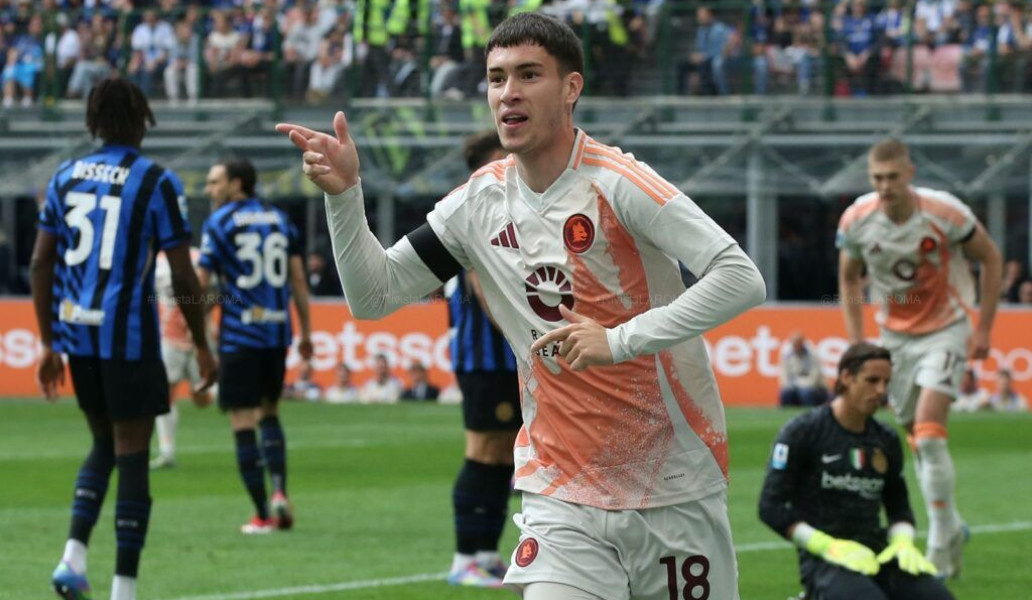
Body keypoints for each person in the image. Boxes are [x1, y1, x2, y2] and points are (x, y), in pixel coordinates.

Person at [277, 12, 766, 599]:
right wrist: (344, 197)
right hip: (560, 490)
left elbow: (740, 277)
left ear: (570, 87)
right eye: (496, 78)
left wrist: (619, 340)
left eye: (529, 75)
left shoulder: (618, 182)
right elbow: (373, 295)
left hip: (673, 484)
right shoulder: (477, 202)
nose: (508, 92)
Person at [31, 77, 217, 600]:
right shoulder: (156, 181)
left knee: (102, 443)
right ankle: (124, 589)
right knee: (132, 450)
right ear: (141, 119)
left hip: (78, 335)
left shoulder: (65, 176)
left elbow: (41, 261)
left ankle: (72, 557)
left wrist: (48, 342)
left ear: (93, 121)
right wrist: (202, 344)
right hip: (128, 339)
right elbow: (183, 275)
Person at [837, 138, 1003, 577]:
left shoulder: (945, 213)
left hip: (946, 329)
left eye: (892, 177)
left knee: (929, 434)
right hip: (893, 339)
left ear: (909, 173)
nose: (885, 186)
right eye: (877, 178)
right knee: (915, 437)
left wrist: (985, 327)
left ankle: (940, 545)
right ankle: (954, 525)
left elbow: (990, 258)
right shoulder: (857, 219)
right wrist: (857, 344)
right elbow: (849, 277)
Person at [759, 342, 955, 600]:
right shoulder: (803, 431)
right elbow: (770, 507)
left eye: (886, 382)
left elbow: (899, 509)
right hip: (826, 561)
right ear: (846, 377)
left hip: (877, 553)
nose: (881, 391)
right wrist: (826, 545)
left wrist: (902, 543)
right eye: (872, 381)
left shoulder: (885, 439)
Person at [198, 157, 313, 534]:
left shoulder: (219, 222)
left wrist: (199, 328)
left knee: (242, 422)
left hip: (240, 336)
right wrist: (307, 333)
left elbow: (201, 283)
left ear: (236, 184)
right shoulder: (280, 219)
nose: (209, 189)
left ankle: (262, 513)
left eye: (215, 182)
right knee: (270, 413)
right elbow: (298, 281)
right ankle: (280, 491)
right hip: (276, 334)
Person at [444, 129, 523, 588]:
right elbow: (482, 286)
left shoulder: (502, 205)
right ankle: (464, 560)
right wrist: (525, 335)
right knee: (482, 451)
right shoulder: (477, 206)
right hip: (484, 357)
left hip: (503, 358)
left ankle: (487, 555)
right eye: (503, 156)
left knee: (503, 455)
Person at [150, 247, 215, 470]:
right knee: (165, 393)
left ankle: (220, 391)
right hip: (169, 338)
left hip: (198, 338)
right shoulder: (157, 260)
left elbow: (214, 292)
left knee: (201, 398)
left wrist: (203, 315)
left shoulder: (198, 257)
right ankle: (167, 450)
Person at [779, 331, 828, 407]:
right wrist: (788, 385)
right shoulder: (787, 355)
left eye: (798, 342)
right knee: (786, 393)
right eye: (794, 343)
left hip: (813, 387)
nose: (796, 345)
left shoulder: (812, 354)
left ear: (803, 342)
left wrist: (800, 384)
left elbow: (815, 377)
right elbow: (784, 374)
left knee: (805, 393)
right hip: (794, 386)